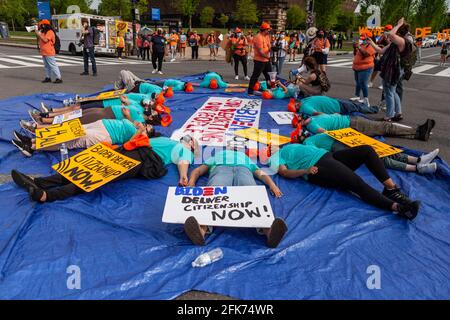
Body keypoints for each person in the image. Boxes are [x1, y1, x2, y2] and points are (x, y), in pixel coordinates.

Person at [10, 134, 198, 202]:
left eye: (191, 140)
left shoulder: (184, 150)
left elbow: (183, 162)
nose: (187, 139)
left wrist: (184, 177)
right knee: (85, 169)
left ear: (191, 146)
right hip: (134, 151)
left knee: (98, 175)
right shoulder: (170, 140)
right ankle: (39, 182)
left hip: (143, 158)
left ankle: (47, 195)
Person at [269, 143, 421, 220]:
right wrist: (305, 171)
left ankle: (391, 189)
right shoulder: (276, 157)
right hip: (319, 168)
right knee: (356, 182)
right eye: (268, 146)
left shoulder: (290, 145)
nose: (271, 145)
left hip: (329, 156)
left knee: (366, 150)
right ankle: (398, 207)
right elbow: (284, 172)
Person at [184, 148, 287, 248]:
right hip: (221, 169)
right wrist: (191, 182)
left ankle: (269, 231)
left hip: (243, 170)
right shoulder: (218, 155)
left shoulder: (245, 158)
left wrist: (272, 185)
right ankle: (200, 230)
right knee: (213, 194)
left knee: (253, 194)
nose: (234, 147)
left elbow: (260, 173)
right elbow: (198, 170)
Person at [302, 132, 439, 174]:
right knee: (378, 155)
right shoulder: (306, 143)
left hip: (343, 141)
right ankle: (416, 167)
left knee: (380, 149)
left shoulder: (314, 136)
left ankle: (417, 160)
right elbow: (320, 154)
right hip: (338, 147)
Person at [12, 118, 157, 158]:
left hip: (105, 135)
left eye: (148, 128)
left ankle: (32, 148)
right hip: (101, 124)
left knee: (70, 141)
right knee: (66, 131)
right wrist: (134, 122)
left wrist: (140, 130)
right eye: (147, 125)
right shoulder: (135, 123)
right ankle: (32, 140)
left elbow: (129, 143)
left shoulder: (141, 135)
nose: (145, 126)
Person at [368, 18, 414, 122]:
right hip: (393, 69)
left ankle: (389, 116)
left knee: (388, 92)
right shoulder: (395, 43)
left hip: (394, 70)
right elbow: (380, 50)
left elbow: (390, 35)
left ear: (399, 31)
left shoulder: (403, 41)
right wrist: (371, 42)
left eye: (396, 28)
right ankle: (398, 113)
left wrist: (398, 24)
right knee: (393, 91)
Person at [300, 113, 435, 142]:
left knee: (383, 128)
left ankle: (417, 134)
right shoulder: (312, 124)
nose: (303, 117)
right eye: (301, 118)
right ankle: (418, 131)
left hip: (352, 122)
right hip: (352, 125)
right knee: (385, 127)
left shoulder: (314, 118)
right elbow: (325, 132)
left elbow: (328, 116)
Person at [351, 31, 376, 106]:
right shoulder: (362, 45)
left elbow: (365, 54)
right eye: (361, 38)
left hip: (366, 67)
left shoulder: (371, 46)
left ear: (369, 39)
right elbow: (356, 54)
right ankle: (357, 96)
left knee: (363, 83)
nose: (361, 39)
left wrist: (358, 47)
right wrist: (355, 48)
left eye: (363, 38)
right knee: (358, 82)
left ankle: (366, 99)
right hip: (357, 67)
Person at [248, 22, 273, 95]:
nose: (269, 31)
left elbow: (269, 46)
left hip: (266, 60)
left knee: (269, 76)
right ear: (264, 30)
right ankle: (250, 91)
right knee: (255, 76)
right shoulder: (258, 37)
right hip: (259, 60)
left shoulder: (267, 36)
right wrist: (269, 57)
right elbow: (261, 52)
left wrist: (273, 49)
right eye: (268, 30)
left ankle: (270, 89)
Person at [297, 95, 378, 116]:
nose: (296, 104)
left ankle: (366, 106)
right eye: (295, 105)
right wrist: (332, 116)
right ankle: (374, 109)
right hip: (338, 107)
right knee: (357, 108)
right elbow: (316, 113)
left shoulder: (303, 100)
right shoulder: (304, 107)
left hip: (335, 101)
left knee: (355, 105)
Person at [368, 24, 391, 90]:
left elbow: (390, 44)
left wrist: (386, 37)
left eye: (388, 30)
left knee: (384, 70)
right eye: (386, 30)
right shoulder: (381, 35)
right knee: (376, 69)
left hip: (387, 55)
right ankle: (371, 82)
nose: (386, 31)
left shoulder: (392, 36)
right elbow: (377, 43)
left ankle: (382, 83)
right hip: (379, 54)